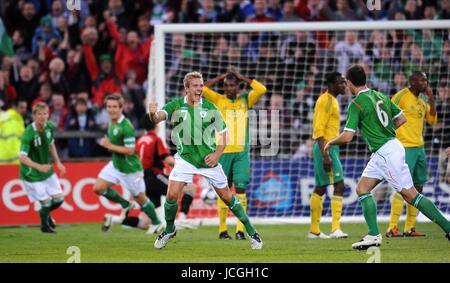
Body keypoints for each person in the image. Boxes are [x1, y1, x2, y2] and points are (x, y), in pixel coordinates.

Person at [324, 65, 450, 250]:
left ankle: (448, 227)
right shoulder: (381, 95)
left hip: (385, 152)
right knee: (361, 189)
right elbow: (401, 119)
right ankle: (374, 235)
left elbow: (348, 136)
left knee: (411, 195)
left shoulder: (356, 103)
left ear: (350, 83)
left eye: (347, 83)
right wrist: (385, 131)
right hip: (387, 149)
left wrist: (330, 142)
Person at [149, 71, 262, 249]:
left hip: (208, 160)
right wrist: (153, 114)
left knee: (227, 197)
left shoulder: (210, 108)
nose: (200, 88)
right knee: (171, 195)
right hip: (185, 159)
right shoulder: (176, 105)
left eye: (201, 85)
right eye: (195, 85)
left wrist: (217, 155)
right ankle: (170, 229)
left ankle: (252, 231)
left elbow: (224, 136)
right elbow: (158, 118)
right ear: (186, 88)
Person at [203, 66, 267, 240]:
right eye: (227, 85)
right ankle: (223, 230)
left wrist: (241, 76)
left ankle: (240, 230)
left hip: (241, 152)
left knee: (240, 189)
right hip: (222, 152)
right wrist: (222, 76)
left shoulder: (246, 99)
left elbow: (262, 89)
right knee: (223, 191)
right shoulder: (218, 100)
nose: (230, 88)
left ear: (238, 86)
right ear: (223, 87)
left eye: (233, 85)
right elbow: (203, 88)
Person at [92, 93, 163, 235]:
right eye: (109, 106)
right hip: (116, 165)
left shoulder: (126, 127)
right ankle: (125, 204)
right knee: (98, 188)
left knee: (141, 199)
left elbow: (130, 150)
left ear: (121, 108)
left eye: (114, 107)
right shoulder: (112, 122)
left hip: (130, 169)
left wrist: (109, 146)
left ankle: (157, 223)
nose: (111, 109)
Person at [386, 71, 437, 238]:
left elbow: (433, 120)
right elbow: (387, 112)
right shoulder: (401, 96)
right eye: (422, 80)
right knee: (402, 187)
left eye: (426, 80)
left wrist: (431, 98)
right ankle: (392, 227)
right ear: (413, 81)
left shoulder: (421, 102)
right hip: (404, 147)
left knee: (418, 187)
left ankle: (410, 227)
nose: (425, 83)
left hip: (420, 148)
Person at [309, 72, 348, 239]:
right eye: (340, 83)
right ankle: (335, 229)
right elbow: (318, 128)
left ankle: (314, 231)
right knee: (339, 185)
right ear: (331, 84)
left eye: (344, 83)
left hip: (329, 147)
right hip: (326, 147)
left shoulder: (332, 100)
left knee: (321, 187)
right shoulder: (325, 100)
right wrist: (325, 154)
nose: (344, 86)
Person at [18, 102, 66, 233]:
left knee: (59, 199)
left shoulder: (49, 127)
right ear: (34, 115)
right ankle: (45, 226)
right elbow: (22, 157)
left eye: (45, 113)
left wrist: (58, 162)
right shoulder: (28, 133)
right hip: (32, 173)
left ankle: (45, 213)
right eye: (39, 114)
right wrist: (38, 166)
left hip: (47, 170)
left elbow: (51, 145)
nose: (43, 117)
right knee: (47, 202)